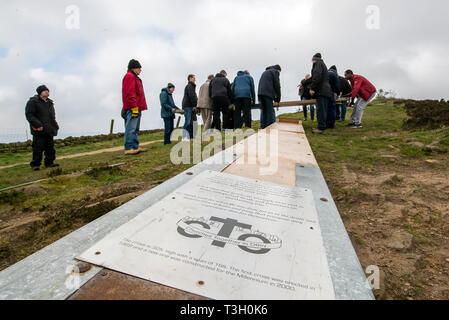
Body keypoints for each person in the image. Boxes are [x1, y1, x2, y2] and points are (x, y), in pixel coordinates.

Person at [25, 85, 60, 171]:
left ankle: (49, 163)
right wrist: (38, 125)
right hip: (39, 130)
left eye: (47, 91)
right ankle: (35, 164)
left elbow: (52, 117)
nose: (47, 92)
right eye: (45, 91)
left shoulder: (49, 103)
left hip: (49, 129)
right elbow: (29, 115)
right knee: (38, 148)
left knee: (50, 148)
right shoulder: (33, 102)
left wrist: (55, 126)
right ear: (40, 92)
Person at [122, 59, 148, 155]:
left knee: (135, 128)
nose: (140, 70)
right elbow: (130, 93)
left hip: (137, 107)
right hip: (133, 107)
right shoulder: (129, 77)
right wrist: (134, 107)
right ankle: (128, 148)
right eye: (139, 68)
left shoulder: (134, 77)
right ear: (133, 68)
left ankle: (135, 147)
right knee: (131, 128)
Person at [301, 53, 332, 134]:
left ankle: (321, 128)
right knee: (323, 110)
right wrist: (304, 82)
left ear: (313, 59)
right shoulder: (322, 64)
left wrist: (312, 88)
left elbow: (316, 76)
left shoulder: (318, 64)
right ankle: (322, 126)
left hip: (321, 91)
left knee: (320, 110)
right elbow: (313, 78)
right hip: (325, 90)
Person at [258, 65, 281, 129]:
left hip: (260, 93)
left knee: (263, 109)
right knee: (270, 110)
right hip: (267, 93)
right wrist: (278, 99)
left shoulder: (265, 72)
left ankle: (263, 126)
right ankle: (272, 126)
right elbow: (277, 85)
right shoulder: (275, 72)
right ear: (278, 70)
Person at [182, 74, 198, 140]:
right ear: (190, 78)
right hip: (188, 106)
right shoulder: (189, 86)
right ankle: (184, 137)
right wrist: (195, 105)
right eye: (194, 78)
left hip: (190, 106)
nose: (195, 79)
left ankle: (191, 137)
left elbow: (194, 97)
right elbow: (192, 96)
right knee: (188, 122)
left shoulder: (191, 86)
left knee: (191, 122)